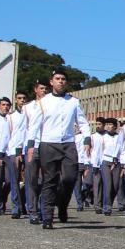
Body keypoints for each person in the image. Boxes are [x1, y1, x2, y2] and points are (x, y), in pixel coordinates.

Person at [26, 69, 91, 229]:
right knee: (50, 180)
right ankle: (47, 217)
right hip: (48, 144)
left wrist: (87, 139)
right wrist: (30, 146)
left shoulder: (73, 102)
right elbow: (34, 126)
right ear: (51, 82)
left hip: (68, 143)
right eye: (57, 78)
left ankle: (62, 204)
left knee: (70, 178)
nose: (60, 81)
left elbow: (82, 122)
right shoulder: (43, 102)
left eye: (63, 79)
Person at [23, 80, 48, 224]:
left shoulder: (51, 105)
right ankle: (33, 210)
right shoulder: (28, 108)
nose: (44, 91)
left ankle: (43, 209)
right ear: (36, 90)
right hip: (32, 146)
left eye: (46, 89)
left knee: (46, 180)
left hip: (46, 145)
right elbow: (23, 129)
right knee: (32, 179)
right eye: (41, 88)